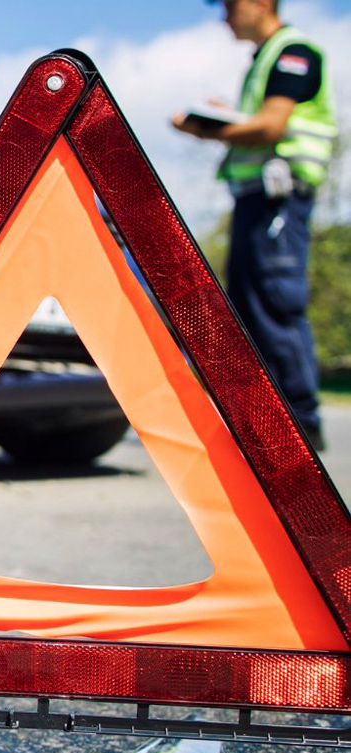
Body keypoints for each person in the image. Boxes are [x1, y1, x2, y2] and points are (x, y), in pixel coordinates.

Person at [173, 0, 337, 451]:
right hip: (257, 200)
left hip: (278, 199)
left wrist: (206, 130)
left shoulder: (291, 52)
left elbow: (270, 127)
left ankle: (300, 423)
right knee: (249, 302)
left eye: (230, 4)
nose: (224, 15)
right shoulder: (266, 58)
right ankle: (268, 421)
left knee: (275, 301)